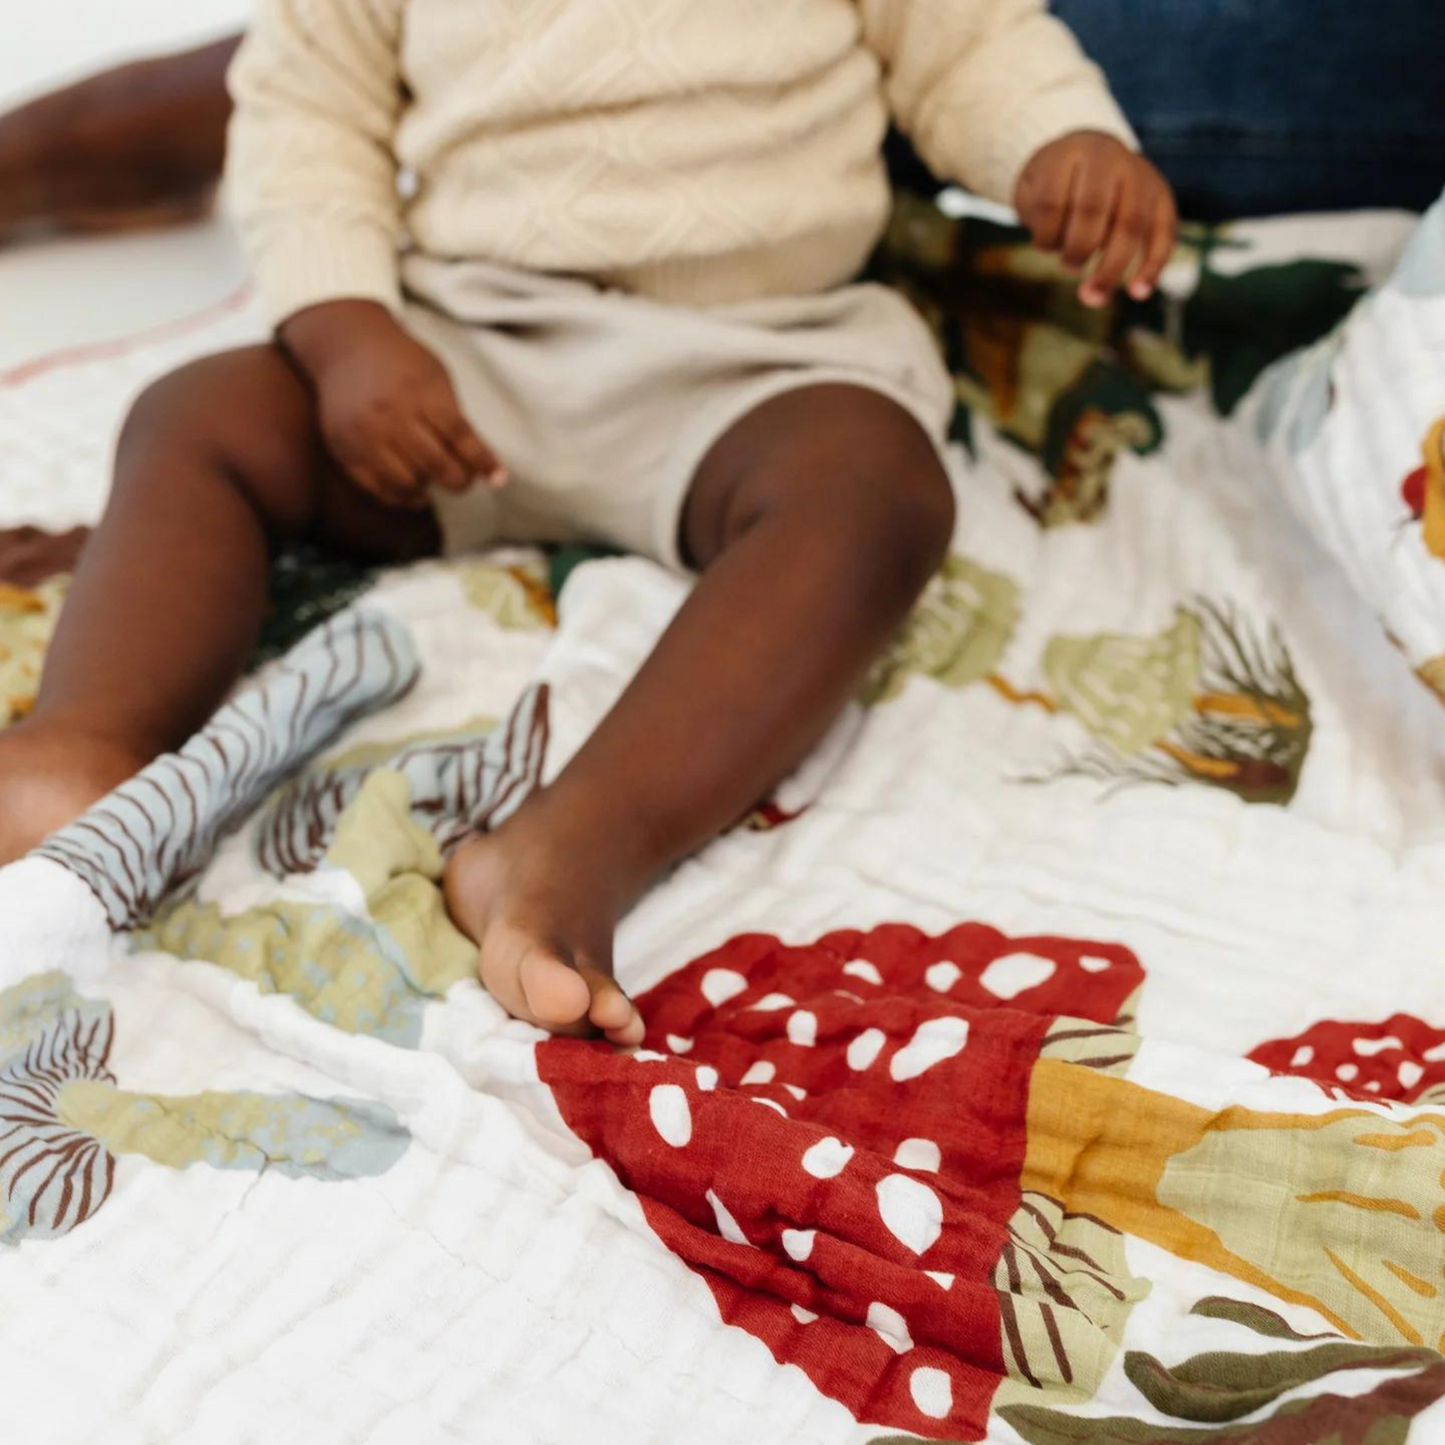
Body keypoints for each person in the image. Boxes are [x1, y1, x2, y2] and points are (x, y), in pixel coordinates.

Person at [0, 0, 1175, 1045]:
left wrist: (1056, 142)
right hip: (459, 346)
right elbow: (307, 112)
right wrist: (347, 328)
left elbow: (967, 43)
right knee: (199, 414)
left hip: (754, 354)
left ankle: (569, 848)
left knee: (876, 493)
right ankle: (86, 739)